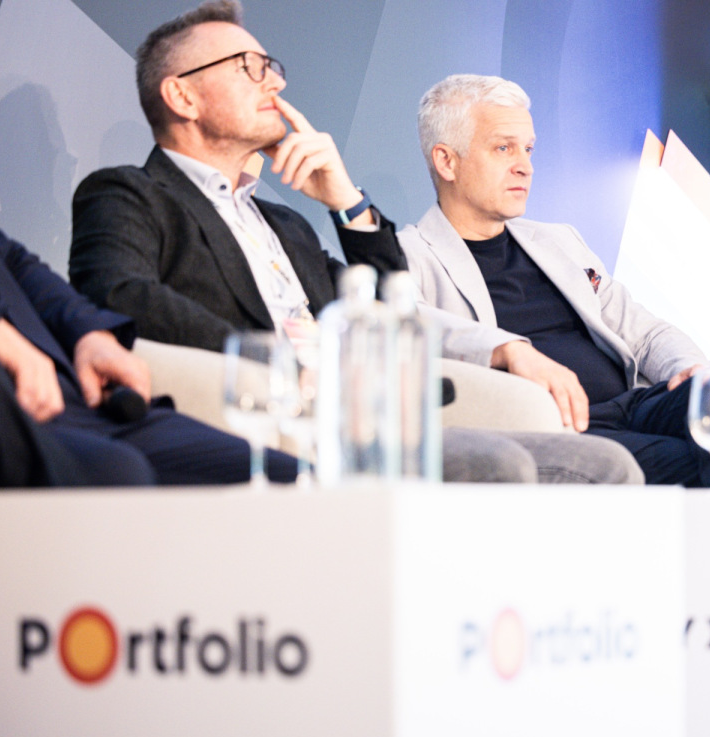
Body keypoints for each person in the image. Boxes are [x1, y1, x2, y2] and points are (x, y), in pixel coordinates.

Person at [68, 1, 642, 486]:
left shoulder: (282, 225)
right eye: (249, 68)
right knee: (502, 465)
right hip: (261, 417)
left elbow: (394, 305)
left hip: (361, 418)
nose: (276, 82)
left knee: (609, 465)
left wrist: (345, 200)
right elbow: (122, 298)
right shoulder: (127, 194)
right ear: (183, 96)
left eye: (272, 67)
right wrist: (281, 365)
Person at [399, 74, 710, 487]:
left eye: (528, 149)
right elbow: (406, 323)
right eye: (503, 148)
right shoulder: (407, 254)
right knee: (697, 463)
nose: (525, 166)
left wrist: (689, 369)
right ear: (446, 161)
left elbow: (644, 331)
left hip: (635, 403)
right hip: (557, 430)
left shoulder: (559, 240)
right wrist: (508, 349)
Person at [0, 216, 296, 487]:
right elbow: (124, 290)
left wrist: (91, 334)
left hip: (83, 402)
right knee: (117, 473)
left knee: (290, 481)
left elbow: (12, 260)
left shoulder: (288, 224)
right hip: (5, 405)